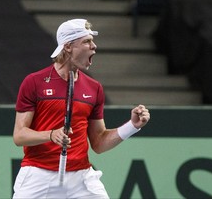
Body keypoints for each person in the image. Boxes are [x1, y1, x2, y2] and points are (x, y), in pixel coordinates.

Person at [12, 18, 150, 199]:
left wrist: (132, 126)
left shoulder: (94, 88)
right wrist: (51, 135)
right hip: (38, 175)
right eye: (87, 41)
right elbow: (19, 136)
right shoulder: (34, 82)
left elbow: (99, 143)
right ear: (68, 46)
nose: (94, 46)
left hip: (81, 178)